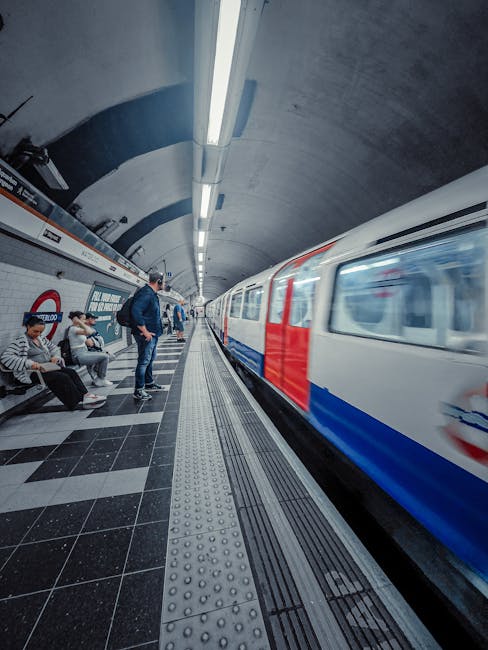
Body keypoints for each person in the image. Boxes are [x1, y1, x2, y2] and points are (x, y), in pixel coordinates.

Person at [1, 316, 105, 410]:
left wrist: (56, 356)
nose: (37, 334)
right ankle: (77, 402)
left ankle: (86, 395)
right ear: (28, 327)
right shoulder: (20, 341)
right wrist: (30, 364)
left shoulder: (40, 338)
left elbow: (54, 348)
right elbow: (6, 357)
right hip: (32, 372)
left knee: (70, 372)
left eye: (40, 332)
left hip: (47, 367)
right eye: (35, 331)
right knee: (61, 377)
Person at [130, 271, 164, 401]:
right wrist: (145, 331)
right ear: (158, 282)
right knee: (144, 361)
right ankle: (138, 390)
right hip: (146, 335)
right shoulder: (146, 293)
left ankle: (149, 383)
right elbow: (136, 311)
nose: (164, 284)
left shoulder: (152, 294)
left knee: (150, 359)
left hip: (152, 334)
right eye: (163, 282)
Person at [67, 311, 112, 387]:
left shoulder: (77, 328)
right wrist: (79, 322)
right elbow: (89, 332)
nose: (85, 321)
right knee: (105, 357)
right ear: (77, 320)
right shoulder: (73, 329)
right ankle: (101, 379)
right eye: (83, 319)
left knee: (105, 355)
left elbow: (90, 331)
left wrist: (80, 323)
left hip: (84, 352)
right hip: (78, 355)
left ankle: (99, 378)